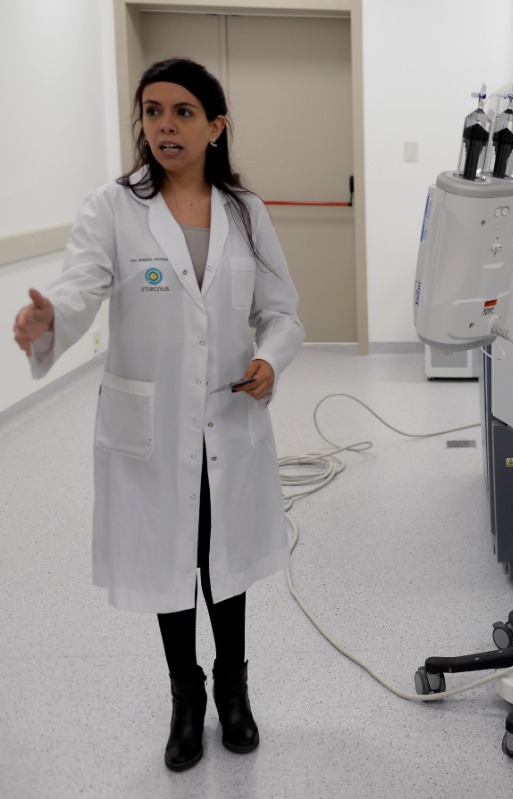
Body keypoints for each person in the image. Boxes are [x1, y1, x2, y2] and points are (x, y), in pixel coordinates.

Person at [11, 58, 304, 771]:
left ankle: (234, 688)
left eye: (181, 112)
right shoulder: (112, 208)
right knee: (169, 560)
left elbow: (284, 313)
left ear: (215, 125)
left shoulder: (246, 212)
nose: (164, 126)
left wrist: (271, 358)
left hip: (230, 418)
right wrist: (47, 321)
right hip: (151, 425)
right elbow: (78, 291)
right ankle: (187, 695)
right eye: (151, 111)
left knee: (221, 559)